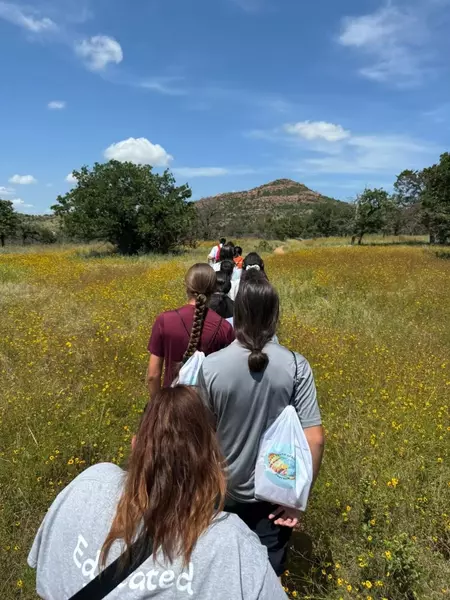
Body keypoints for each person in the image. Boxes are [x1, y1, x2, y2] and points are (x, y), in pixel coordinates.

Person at [28, 386, 287, 600]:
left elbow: (43, 572)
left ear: (135, 445)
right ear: (212, 460)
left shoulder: (88, 483)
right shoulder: (231, 542)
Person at [198, 272, 324, 577]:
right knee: (267, 576)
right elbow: (315, 439)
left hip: (221, 492)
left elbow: (201, 436)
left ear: (236, 314)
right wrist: (297, 500)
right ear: (274, 315)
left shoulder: (211, 367)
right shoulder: (297, 366)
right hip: (276, 496)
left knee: (221, 573)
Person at [147, 264, 234, 395]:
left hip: (171, 405)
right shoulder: (225, 327)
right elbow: (227, 377)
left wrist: (157, 405)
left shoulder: (164, 320)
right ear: (214, 289)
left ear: (186, 287)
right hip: (207, 408)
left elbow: (153, 375)